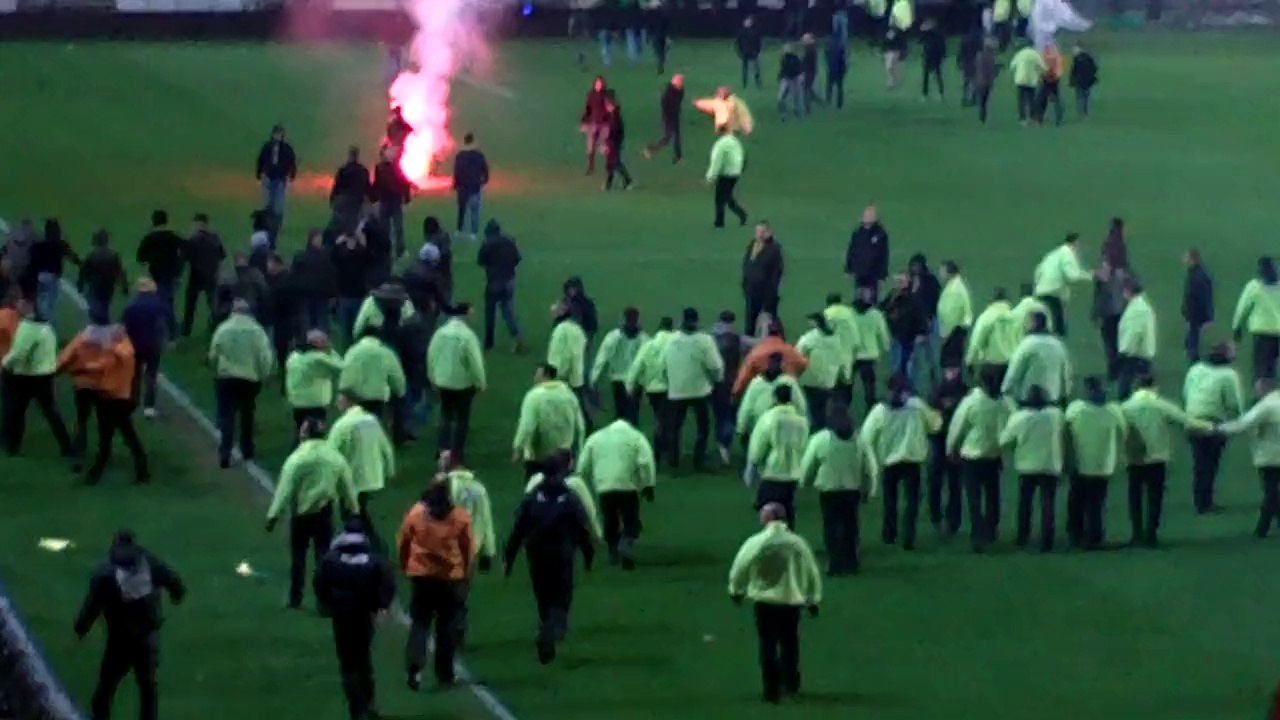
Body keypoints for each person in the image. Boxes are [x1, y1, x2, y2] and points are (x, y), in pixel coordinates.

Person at [74, 531, 185, 720]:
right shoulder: (149, 563)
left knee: (107, 685)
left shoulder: (105, 574)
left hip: (120, 638)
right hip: (146, 636)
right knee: (147, 688)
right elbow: (174, 581)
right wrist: (176, 595)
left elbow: (93, 606)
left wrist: (81, 628)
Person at [504, 456, 596, 664]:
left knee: (543, 597)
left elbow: (518, 530)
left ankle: (546, 628)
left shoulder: (532, 498)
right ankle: (550, 633)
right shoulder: (569, 498)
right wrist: (588, 556)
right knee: (561, 599)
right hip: (562, 556)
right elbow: (582, 530)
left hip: (536, 556)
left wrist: (509, 559)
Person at [727, 502, 822, 704]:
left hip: (765, 601)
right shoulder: (797, 543)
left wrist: (736, 590)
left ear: (768, 518)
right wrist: (814, 598)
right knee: (790, 643)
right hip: (791, 601)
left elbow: (740, 567)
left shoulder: (757, 542)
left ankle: (771, 689)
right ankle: (791, 684)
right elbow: (812, 571)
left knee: (768, 644)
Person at [267, 417, 357, 608]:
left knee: (298, 557)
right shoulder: (334, 456)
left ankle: (295, 598)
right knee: (323, 557)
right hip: (324, 512)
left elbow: (285, 489)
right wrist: (354, 508)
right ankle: (324, 600)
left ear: (304, 433)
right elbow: (347, 484)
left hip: (301, 513)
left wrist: (273, 515)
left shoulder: (297, 458)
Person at [313, 517, 397, 720]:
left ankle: (357, 708)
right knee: (363, 658)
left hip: (341, 614)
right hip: (364, 614)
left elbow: (319, 582)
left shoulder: (331, 560)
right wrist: (381, 605)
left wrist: (326, 604)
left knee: (348, 663)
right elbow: (387, 583)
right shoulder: (374, 561)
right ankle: (369, 701)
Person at [398, 478, 473, 690]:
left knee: (420, 623)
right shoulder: (459, 517)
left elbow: (404, 543)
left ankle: (414, 669)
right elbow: (468, 549)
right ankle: (445, 673)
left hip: (421, 577)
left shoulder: (416, 514)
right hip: (449, 579)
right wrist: (465, 574)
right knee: (446, 627)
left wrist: (406, 565)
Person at [1122, 375, 1211, 547]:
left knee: (1135, 497)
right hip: (1157, 456)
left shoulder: (1125, 407)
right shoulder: (1160, 404)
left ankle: (1136, 534)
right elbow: (1186, 420)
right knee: (1155, 498)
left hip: (1134, 458)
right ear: (1154, 386)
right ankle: (1151, 536)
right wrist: (1211, 427)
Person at [59, 320, 148, 484]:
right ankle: (135, 469)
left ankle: (98, 473)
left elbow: (121, 356)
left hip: (118, 399)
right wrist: (83, 368)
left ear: (123, 332)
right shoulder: (117, 347)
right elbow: (102, 365)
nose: (112, 333)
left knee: (117, 436)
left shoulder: (125, 349)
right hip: (108, 397)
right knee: (115, 436)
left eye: (116, 331)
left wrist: (108, 347)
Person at [860, 374, 941, 550]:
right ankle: (908, 537)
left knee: (890, 500)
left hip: (890, 461)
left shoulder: (880, 411)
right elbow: (935, 425)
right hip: (912, 459)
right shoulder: (917, 406)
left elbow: (866, 436)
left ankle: (889, 534)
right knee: (912, 501)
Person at [800, 402, 878, 574]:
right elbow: (870, 468)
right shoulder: (859, 441)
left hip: (829, 491)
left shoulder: (821, 439)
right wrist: (869, 490)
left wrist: (804, 482)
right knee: (851, 527)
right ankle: (851, 562)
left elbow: (809, 464)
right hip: (852, 490)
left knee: (831, 527)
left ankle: (835, 563)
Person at [578, 418, 657, 568]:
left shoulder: (596, 437)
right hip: (628, 486)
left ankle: (613, 550)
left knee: (610, 520)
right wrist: (648, 484)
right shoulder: (636, 437)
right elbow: (645, 462)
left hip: (604, 487)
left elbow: (583, 463)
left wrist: (581, 477)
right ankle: (625, 544)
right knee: (631, 520)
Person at [1, 299, 73, 457]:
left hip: (25, 376)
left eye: (21, 304)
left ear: (28, 307)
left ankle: (12, 445)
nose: (17, 307)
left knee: (16, 410)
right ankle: (67, 447)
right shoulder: (48, 328)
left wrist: (5, 365)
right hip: (45, 376)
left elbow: (19, 354)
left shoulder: (27, 327)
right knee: (51, 412)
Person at [945, 368, 1006, 552]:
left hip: (972, 456)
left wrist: (951, 447)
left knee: (974, 498)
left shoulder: (972, 401)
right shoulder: (1002, 402)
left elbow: (958, 425)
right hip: (993, 454)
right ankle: (991, 530)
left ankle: (978, 534)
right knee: (993, 495)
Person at [208, 298, 273, 468]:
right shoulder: (257, 331)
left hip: (226, 377)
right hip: (249, 378)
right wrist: (264, 375)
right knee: (247, 414)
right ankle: (247, 450)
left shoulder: (224, 328)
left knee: (227, 416)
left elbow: (214, 352)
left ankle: (225, 452)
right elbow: (264, 357)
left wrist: (215, 370)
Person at [1000, 385, 1065, 552]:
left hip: (1026, 466)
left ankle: (1023, 536)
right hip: (1050, 464)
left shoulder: (1019, 417)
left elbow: (1004, 440)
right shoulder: (1056, 415)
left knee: (1025, 503)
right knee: (1048, 504)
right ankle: (1047, 540)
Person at [1064, 377, 1126, 550]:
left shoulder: (1075, 408)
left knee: (1078, 501)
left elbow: (1065, 430)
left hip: (1080, 462)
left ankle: (1077, 535)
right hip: (1102, 464)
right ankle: (1094, 536)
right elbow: (1124, 432)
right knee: (1095, 503)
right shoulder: (1114, 410)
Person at [329, 393, 396, 551]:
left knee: (353, 516)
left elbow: (330, 454)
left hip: (352, 479)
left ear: (347, 402)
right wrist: (390, 470)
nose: (336, 404)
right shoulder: (372, 420)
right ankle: (371, 547)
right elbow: (386, 448)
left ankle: (372, 548)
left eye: (339, 400)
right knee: (359, 512)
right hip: (372, 477)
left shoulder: (342, 425)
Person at [1184, 343, 1244, 514]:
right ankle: (1205, 502)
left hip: (1192, 420)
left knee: (1199, 462)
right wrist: (1238, 420)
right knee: (1210, 464)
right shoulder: (1228, 375)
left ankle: (1200, 500)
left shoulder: (1195, 369)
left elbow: (1186, 392)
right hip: (1213, 423)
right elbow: (1233, 402)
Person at [1216, 379, 1280, 537]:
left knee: (1271, 493)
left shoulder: (1266, 406)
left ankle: (1262, 529)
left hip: (1270, 456)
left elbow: (1243, 424)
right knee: (1274, 493)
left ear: (1263, 389)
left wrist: (1217, 429)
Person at [664, 308, 725, 471]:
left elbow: (663, 363)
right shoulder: (705, 340)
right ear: (697, 321)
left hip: (676, 390)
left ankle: (673, 460)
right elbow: (716, 366)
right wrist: (717, 380)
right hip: (700, 390)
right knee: (703, 426)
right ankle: (699, 459)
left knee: (674, 427)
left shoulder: (671, 339)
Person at [746, 384, 811, 528]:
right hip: (793, 473)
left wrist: (753, 463)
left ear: (775, 398)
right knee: (788, 509)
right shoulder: (802, 421)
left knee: (769, 511)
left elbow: (759, 444)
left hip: (773, 472)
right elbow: (804, 446)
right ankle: (790, 536)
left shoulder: (769, 418)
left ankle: (773, 538)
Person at [428, 303, 487, 458]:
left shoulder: (440, 333)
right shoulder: (468, 336)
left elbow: (431, 356)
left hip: (442, 381)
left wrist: (432, 377)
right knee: (462, 419)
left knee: (445, 415)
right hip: (463, 383)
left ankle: (442, 449)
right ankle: (456, 453)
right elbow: (475, 361)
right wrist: (480, 382)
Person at [513, 364, 587, 478]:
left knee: (536, 486)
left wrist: (518, 447)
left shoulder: (533, 396)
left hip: (538, 456)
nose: (535, 378)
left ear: (545, 376)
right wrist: (579, 451)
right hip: (563, 454)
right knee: (560, 485)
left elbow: (527, 426)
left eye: (537, 375)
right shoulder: (569, 395)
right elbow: (580, 426)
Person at [928, 366, 969, 535]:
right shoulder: (939, 390)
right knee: (936, 482)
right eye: (948, 370)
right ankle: (936, 516)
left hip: (956, 444)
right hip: (939, 440)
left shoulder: (962, 390)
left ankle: (953, 521)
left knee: (954, 484)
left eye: (954, 369)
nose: (951, 373)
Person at [737, 353, 809, 447]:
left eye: (776, 363)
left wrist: (800, 423)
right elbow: (746, 407)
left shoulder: (788, 382)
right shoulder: (757, 383)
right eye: (772, 363)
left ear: (781, 364)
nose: (773, 366)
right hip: (757, 426)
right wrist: (741, 428)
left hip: (783, 428)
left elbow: (801, 406)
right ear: (768, 363)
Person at [121, 278, 169, 420]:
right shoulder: (158, 305)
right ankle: (149, 407)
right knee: (151, 375)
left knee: (135, 375)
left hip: (135, 345)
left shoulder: (131, 306)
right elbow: (164, 324)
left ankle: (132, 401)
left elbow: (123, 328)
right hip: (153, 345)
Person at [625, 317, 675, 453]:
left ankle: (658, 448)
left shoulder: (648, 345)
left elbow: (636, 366)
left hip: (652, 389)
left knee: (659, 417)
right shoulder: (676, 343)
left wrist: (629, 386)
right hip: (671, 388)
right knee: (670, 420)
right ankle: (667, 449)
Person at [591, 308, 648, 423]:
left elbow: (601, 357)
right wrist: (594, 377)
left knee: (628, 413)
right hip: (625, 379)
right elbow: (602, 356)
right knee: (627, 412)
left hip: (626, 379)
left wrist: (593, 378)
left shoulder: (615, 336)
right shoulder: (642, 338)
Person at [476, 219, 525, 352]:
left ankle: (489, 342)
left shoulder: (487, 243)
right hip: (509, 280)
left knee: (490, 311)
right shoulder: (509, 241)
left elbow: (480, 261)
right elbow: (517, 259)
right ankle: (516, 336)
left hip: (494, 282)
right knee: (507, 311)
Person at [1003, 311, 1072, 404]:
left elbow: (1014, 372)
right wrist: (1065, 395)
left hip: (1028, 402)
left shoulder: (1027, 344)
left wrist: (1006, 389)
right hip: (1053, 402)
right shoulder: (1058, 345)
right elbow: (1066, 374)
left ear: (1033, 323)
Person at [285, 330, 343, 438]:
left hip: (297, 403)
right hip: (314, 404)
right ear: (317, 343)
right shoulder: (317, 358)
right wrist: (331, 351)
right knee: (315, 437)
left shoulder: (293, 357)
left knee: (301, 434)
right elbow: (341, 367)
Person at [136, 210, 185, 338]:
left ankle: (165, 329)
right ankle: (170, 329)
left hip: (156, 275)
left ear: (153, 222)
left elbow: (140, 257)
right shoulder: (174, 237)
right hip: (171, 275)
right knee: (168, 301)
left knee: (159, 302)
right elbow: (185, 252)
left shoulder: (150, 238)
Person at [1033, 233, 1092, 337]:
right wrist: (1090, 276)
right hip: (1053, 296)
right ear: (1076, 243)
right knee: (1058, 331)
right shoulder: (1068, 253)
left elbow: (1037, 273)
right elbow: (1072, 276)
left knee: (1045, 329)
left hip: (1040, 295)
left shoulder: (1052, 255)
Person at [1231, 256, 1280, 381]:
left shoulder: (1253, 286)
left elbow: (1242, 308)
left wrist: (1236, 327)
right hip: (1277, 331)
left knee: (1261, 369)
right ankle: (1272, 389)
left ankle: (1263, 390)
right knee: (1272, 367)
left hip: (1261, 331)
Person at [795, 312, 845, 430]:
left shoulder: (810, 338)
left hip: (811, 380)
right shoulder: (836, 339)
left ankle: (816, 431)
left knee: (812, 410)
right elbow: (840, 360)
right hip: (829, 381)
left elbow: (797, 354)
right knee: (823, 409)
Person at [181, 214, 225, 337]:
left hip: (196, 276)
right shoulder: (215, 238)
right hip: (211, 275)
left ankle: (186, 330)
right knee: (213, 305)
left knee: (190, 305)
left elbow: (185, 257)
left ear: (199, 224)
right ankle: (215, 329)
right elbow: (221, 256)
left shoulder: (193, 239)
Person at [548, 301, 591, 427]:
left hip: (562, 372)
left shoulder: (560, 330)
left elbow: (556, 353)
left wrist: (556, 371)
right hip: (577, 371)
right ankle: (586, 422)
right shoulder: (577, 328)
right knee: (579, 398)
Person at [965, 288, 1018, 386]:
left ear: (992, 299)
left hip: (992, 366)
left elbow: (976, 341)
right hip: (1011, 365)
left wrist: (970, 361)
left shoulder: (987, 316)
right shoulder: (1015, 317)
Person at [851, 288, 890, 410]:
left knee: (848, 382)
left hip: (852, 354)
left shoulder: (849, 314)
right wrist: (886, 347)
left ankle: (844, 404)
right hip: (869, 354)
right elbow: (883, 333)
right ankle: (870, 407)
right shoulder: (876, 314)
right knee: (869, 384)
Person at [1116, 280, 1157, 399]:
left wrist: (1125, 350)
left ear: (1129, 291)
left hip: (1135, 355)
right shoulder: (1141, 306)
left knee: (1126, 386)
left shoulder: (1137, 309)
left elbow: (1134, 332)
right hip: (1142, 354)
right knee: (1144, 388)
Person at [742, 223, 784, 336]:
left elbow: (777, 271)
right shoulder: (753, 244)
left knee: (769, 316)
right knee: (750, 316)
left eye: (762, 232)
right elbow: (747, 264)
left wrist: (773, 290)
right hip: (751, 288)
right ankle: (749, 336)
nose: (759, 234)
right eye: (757, 232)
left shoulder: (774, 248)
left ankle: (773, 338)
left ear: (769, 233)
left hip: (766, 290)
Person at [256, 124, 297, 233]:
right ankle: (266, 224)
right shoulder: (267, 146)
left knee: (279, 204)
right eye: (277, 134)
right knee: (268, 203)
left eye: (280, 134)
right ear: (273, 134)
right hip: (268, 178)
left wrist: (292, 174)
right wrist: (259, 173)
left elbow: (292, 161)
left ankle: (278, 226)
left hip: (280, 178)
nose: (278, 136)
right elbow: (261, 160)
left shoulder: (287, 148)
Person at [79, 229, 128, 321]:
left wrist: (80, 286)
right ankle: (103, 322)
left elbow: (83, 272)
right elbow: (121, 272)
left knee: (96, 310)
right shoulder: (114, 255)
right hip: (109, 287)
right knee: (104, 307)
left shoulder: (91, 255)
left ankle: (101, 324)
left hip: (95, 287)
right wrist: (125, 287)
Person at [373, 145, 412, 257]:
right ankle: (384, 251)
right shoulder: (379, 168)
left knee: (398, 227)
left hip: (395, 201)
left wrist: (407, 200)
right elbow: (377, 184)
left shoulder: (396, 167)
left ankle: (400, 251)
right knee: (384, 229)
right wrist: (373, 199)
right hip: (385, 201)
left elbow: (404, 183)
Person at [1092, 261, 1129, 381]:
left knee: (1110, 343)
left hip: (1109, 313)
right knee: (1118, 342)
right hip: (1119, 312)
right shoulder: (1123, 273)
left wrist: (1095, 314)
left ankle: (1114, 370)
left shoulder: (1103, 276)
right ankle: (1120, 369)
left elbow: (1098, 297)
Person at [707, 125, 749, 229]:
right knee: (726, 197)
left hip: (726, 174)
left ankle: (721, 221)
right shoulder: (735, 142)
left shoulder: (721, 144)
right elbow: (742, 157)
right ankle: (737, 216)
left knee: (722, 198)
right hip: (735, 173)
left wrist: (711, 177)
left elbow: (717, 161)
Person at [845, 206, 890, 302]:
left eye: (870, 215)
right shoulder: (858, 232)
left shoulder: (880, 234)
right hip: (859, 271)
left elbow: (883, 255)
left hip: (873, 273)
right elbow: (852, 250)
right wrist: (849, 268)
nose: (867, 217)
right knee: (859, 298)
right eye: (866, 215)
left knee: (871, 299)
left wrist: (882, 275)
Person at [452, 133, 490, 239]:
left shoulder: (459, 156)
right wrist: (484, 181)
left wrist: (455, 184)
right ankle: (473, 233)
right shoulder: (479, 156)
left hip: (462, 187)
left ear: (464, 142)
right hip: (474, 186)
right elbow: (485, 170)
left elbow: (456, 172)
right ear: (473, 141)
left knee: (461, 210)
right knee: (474, 211)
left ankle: (459, 230)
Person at [937, 261, 973, 371]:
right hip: (958, 329)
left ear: (949, 272)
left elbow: (951, 314)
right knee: (954, 361)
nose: (940, 273)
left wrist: (945, 333)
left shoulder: (953, 290)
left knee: (950, 364)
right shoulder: (956, 285)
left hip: (953, 330)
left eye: (942, 270)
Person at [330, 146, 372, 235]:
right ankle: (350, 236)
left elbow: (337, 185)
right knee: (353, 221)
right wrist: (371, 198)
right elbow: (367, 187)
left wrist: (332, 198)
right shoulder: (363, 170)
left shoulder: (343, 170)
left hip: (344, 199)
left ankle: (341, 236)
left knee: (341, 221)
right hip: (356, 200)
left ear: (350, 156)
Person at [644, 74, 685, 164]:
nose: (681, 83)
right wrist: (667, 116)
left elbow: (679, 101)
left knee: (677, 137)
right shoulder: (668, 91)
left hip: (675, 116)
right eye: (680, 81)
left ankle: (678, 157)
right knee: (667, 138)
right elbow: (664, 104)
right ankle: (650, 149)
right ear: (674, 82)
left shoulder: (680, 90)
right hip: (668, 118)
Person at [1182, 249, 1214, 363]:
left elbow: (1204, 297)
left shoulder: (1198, 276)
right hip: (1194, 310)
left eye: (1186, 257)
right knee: (1192, 332)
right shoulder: (1195, 273)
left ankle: (1193, 356)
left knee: (1193, 333)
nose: (1184, 259)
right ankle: (1189, 349)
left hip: (1196, 311)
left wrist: (1208, 317)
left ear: (1192, 259)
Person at [602, 91, 634, 191]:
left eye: (607, 105)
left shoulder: (615, 117)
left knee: (615, 163)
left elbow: (614, 131)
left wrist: (607, 144)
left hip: (614, 143)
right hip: (614, 143)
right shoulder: (613, 115)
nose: (606, 107)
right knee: (611, 164)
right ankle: (609, 184)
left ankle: (627, 181)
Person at [1009, 40, 1047, 126]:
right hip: (1031, 80)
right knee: (1031, 99)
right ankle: (1032, 117)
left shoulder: (1020, 53)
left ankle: (1022, 119)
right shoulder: (1035, 54)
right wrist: (1040, 73)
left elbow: (1012, 66)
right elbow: (1043, 67)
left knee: (1021, 100)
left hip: (1020, 79)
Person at [581, 76, 611, 175]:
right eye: (597, 83)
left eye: (600, 84)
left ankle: (610, 165)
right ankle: (591, 167)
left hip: (603, 124)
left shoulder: (606, 96)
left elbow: (609, 109)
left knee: (602, 146)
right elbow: (587, 108)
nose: (598, 85)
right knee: (590, 146)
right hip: (592, 123)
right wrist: (584, 120)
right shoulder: (591, 95)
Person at [1036, 42, 1065, 126]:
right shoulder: (1055, 52)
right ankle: (1059, 120)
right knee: (1056, 100)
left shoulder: (1045, 52)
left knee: (1041, 99)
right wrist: (1058, 75)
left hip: (1047, 79)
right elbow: (1059, 65)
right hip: (1054, 78)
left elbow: (1042, 66)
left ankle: (1040, 119)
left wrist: (1040, 76)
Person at [973, 37, 1000, 123]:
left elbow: (976, 67)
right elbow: (995, 71)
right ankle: (983, 116)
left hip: (980, 80)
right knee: (985, 100)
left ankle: (982, 115)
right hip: (989, 82)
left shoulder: (979, 55)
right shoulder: (992, 57)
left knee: (981, 100)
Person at [1068, 42, 1098, 118]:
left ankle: (1081, 114)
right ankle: (1085, 113)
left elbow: (1073, 71)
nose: (1073, 51)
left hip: (1080, 81)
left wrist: (1071, 81)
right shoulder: (1088, 57)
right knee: (1086, 97)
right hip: (1088, 81)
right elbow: (1094, 68)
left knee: (1080, 98)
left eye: (1074, 49)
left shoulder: (1076, 59)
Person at [920, 19, 946, 100]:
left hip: (935, 57)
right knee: (927, 76)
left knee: (937, 75)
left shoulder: (938, 35)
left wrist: (943, 56)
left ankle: (940, 93)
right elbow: (920, 38)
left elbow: (942, 47)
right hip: (928, 56)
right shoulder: (926, 35)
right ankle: (925, 94)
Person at [777, 44, 805, 120]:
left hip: (794, 79)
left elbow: (799, 70)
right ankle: (784, 113)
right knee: (780, 98)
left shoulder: (795, 59)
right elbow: (783, 69)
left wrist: (800, 78)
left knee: (795, 98)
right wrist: (780, 76)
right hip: (786, 79)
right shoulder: (784, 59)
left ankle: (797, 112)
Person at [736, 16, 764, 89]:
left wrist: (758, 51)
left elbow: (758, 42)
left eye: (749, 22)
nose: (747, 23)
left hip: (753, 52)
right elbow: (738, 42)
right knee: (745, 68)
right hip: (745, 52)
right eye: (747, 21)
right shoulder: (741, 32)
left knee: (756, 68)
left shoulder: (755, 31)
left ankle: (757, 82)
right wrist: (739, 52)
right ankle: (744, 83)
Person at [957, 25, 981, 106]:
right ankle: (973, 98)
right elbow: (980, 50)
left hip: (966, 62)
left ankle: (964, 97)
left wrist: (958, 61)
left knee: (966, 81)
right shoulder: (977, 39)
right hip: (975, 61)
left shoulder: (964, 39)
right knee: (974, 81)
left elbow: (960, 52)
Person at [824, 35, 848, 109]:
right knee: (839, 87)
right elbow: (843, 60)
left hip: (833, 70)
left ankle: (828, 101)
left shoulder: (828, 49)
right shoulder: (840, 48)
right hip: (839, 70)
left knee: (829, 86)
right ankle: (839, 103)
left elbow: (828, 60)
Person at [800, 34, 822, 112]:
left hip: (809, 72)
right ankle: (819, 101)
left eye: (804, 40)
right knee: (808, 89)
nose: (803, 41)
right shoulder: (809, 49)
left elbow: (806, 62)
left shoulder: (810, 50)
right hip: (810, 72)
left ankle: (808, 109)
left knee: (806, 90)